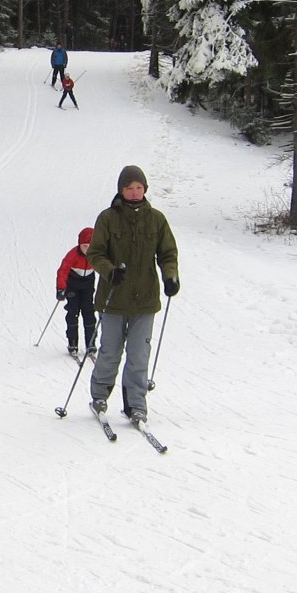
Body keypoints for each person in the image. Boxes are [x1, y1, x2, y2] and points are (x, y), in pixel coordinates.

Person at [86, 165, 180, 424]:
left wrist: (170, 275)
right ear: (121, 190)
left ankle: (136, 404)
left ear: (145, 189)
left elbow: (167, 253)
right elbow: (95, 254)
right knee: (110, 352)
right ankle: (100, 395)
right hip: (113, 299)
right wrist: (109, 271)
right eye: (130, 188)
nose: (135, 193)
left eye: (139, 188)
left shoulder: (157, 219)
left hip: (145, 300)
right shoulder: (107, 218)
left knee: (139, 354)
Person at [54, 227, 98, 358]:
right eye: (84, 246)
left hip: (88, 287)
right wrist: (61, 288)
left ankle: (91, 343)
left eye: (90, 246)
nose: (87, 249)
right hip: (73, 287)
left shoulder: (96, 255)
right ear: (79, 244)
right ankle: (72, 342)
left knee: (89, 313)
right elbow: (63, 271)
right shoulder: (73, 255)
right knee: (73, 313)